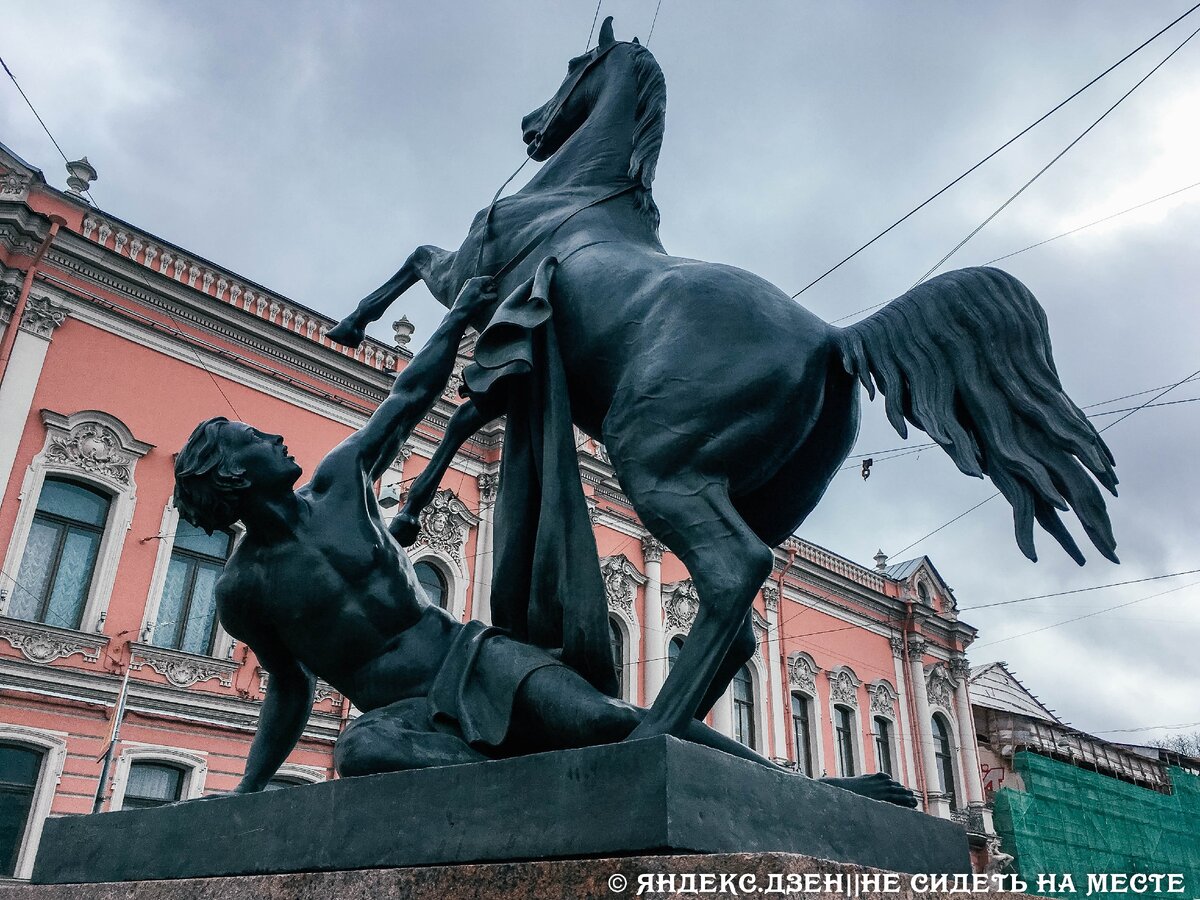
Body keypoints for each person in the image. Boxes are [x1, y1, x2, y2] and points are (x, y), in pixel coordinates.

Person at [173, 276, 915, 807]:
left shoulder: (338, 488)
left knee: (608, 721)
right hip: (398, 713)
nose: (271, 434)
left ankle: (807, 788)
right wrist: (247, 791)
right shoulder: (245, 592)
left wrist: (463, 313)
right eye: (253, 437)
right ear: (231, 475)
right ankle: (527, 795)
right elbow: (289, 690)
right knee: (358, 752)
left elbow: (409, 397)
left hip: (466, 657)